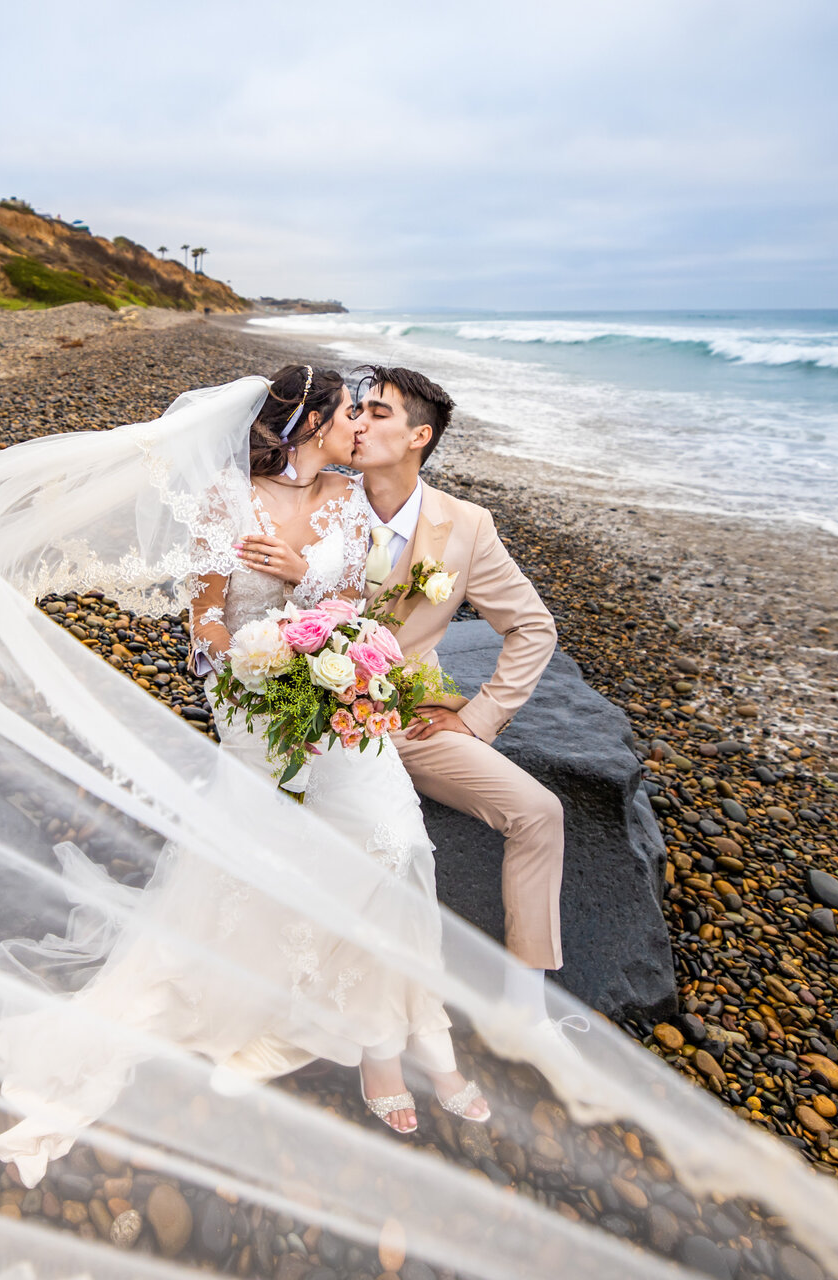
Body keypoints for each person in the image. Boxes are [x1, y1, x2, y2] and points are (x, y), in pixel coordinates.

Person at [0, 365, 487, 1183]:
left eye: (364, 413)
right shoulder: (228, 499)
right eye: (345, 412)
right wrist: (248, 669)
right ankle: (295, 1016)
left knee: (394, 843)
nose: (355, 424)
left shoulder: (349, 498)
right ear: (310, 421)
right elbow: (207, 619)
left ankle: (396, 1033)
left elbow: (357, 599)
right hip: (254, 700)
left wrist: (306, 587)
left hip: (338, 690)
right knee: (265, 859)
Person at [250, 365, 572, 1046]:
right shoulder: (315, 497)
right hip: (313, 716)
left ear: (419, 436)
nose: (357, 423)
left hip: (413, 718)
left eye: (378, 413)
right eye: (355, 411)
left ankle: (525, 1010)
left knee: (540, 812)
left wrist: (479, 719)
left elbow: (533, 627)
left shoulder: (468, 526)